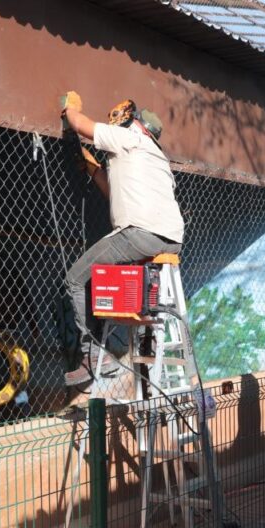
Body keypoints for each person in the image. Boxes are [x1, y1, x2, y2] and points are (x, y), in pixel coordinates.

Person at [59, 92, 185, 390]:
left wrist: (70, 111)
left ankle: (93, 355)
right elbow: (115, 194)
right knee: (99, 281)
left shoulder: (130, 136)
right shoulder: (156, 159)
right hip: (169, 240)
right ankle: (100, 350)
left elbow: (83, 126)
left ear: (138, 125)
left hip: (139, 233)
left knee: (75, 280)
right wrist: (93, 169)